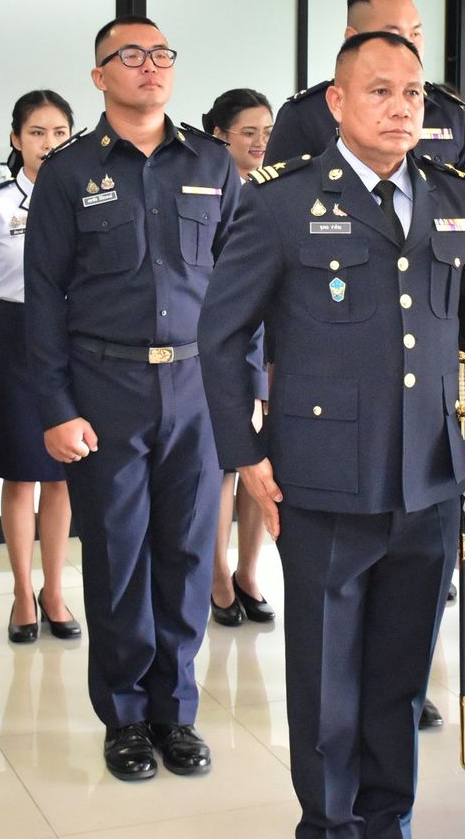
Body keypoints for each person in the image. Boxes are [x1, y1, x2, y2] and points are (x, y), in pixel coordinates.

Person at [199, 31, 465, 839]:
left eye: (413, 93)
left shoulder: (454, 194)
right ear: (337, 102)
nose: (401, 107)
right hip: (325, 473)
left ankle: (386, 818)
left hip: (430, 472)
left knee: (400, 677)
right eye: (380, 91)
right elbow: (222, 334)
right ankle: (330, 823)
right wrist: (245, 453)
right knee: (327, 678)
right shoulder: (281, 199)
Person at [25, 16, 242, 783]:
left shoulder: (212, 163)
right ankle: (123, 717)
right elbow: (43, 296)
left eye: (160, 54)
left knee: (187, 554)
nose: (150, 66)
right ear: (100, 77)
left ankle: (173, 712)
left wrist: (244, 391)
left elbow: (242, 286)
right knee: (117, 558)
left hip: (195, 386)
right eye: (130, 56)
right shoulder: (69, 172)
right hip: (104, 385)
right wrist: (55, 406)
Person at [0, 90, 81, 644]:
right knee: (20, 474)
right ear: (16, 139)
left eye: (60, 133)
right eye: (37, 132)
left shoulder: (87, 198)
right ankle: (21, 591)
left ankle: (54, 590)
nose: (49, 143)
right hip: (14, 341)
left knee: (63, 475)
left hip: (74, 339)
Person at [266, 0, 465, 178]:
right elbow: (279, 198)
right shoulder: (305, 115)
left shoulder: (448, 113)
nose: (409, 46)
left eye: (415, 34)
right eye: (393, 35)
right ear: (352, 38)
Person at [202, 87, 276, 628]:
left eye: (267, 131)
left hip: (276, 347)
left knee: (265, 464)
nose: (259, 142)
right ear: (219, 135)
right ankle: (218, 578)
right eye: (248, 132)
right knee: (224, 468)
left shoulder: (278, 189)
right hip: (226, 343)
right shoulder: (204, 191)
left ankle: (250, 573)